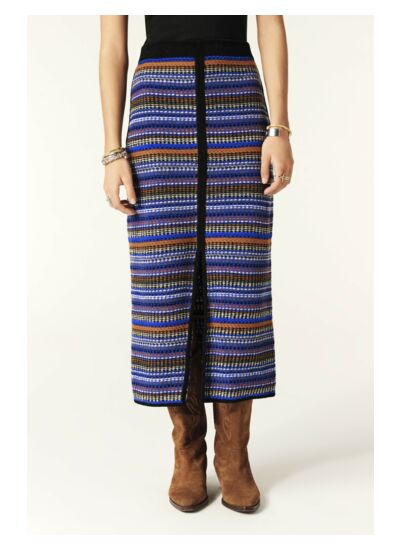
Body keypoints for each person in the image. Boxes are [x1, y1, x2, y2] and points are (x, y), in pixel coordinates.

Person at [99, 15, 294, 513]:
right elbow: (113, 43)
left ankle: (233, 454)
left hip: (238, 103)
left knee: (240, 283)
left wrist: (279, 127)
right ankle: (187, 451)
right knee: (163, 284)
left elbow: (270, 21)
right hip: (157, 111)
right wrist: (112, 151)